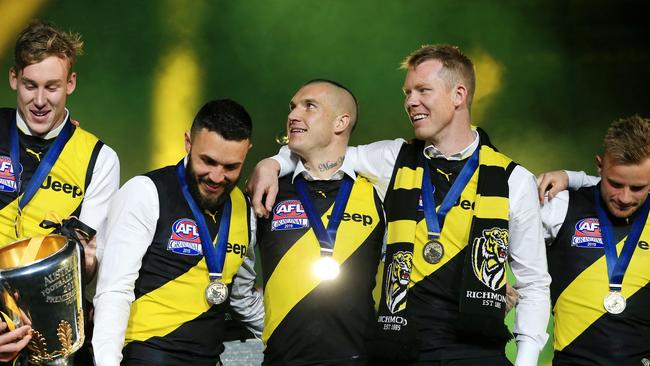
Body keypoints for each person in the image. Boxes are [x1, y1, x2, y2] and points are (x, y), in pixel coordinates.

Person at [249, 44, 550, 365]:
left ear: (459, 95)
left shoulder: (513, 179)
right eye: (407, 92)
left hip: (474, 352)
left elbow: (533, 283)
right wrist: (274, 162)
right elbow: (319, 151)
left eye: (423, 90)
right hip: (400, 348)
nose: (410, 102)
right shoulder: (391, 157)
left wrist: (527, 361)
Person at [92, 99, 264, 366]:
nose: (217, 177)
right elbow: (113, 291)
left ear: (247, 152)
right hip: (146, 357)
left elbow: (242, 299)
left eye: (231, 167)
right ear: (188, 143)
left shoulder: (245, 209)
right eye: (208, 161)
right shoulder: (145, 192)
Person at [0, 21, 119, 363]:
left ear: (71, 83)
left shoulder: (100, 158)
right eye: (30, 85)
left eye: (52, 87)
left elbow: (90, 262)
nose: (39, 100)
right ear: (13, 79)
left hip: (53, 335)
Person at [257, 79, 384, 365]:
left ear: (341, 122)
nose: (293, 115)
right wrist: (269, 327)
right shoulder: (268, 189)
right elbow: (238, 272)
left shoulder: (377, 192)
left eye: (309, 106)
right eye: (292, 108)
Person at [538, 115, 650, 365]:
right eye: (615, 183)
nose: (624, 197)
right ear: (599, 167)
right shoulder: (560, 206)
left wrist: (572, 176)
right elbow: (497, 234)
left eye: (638, 188)